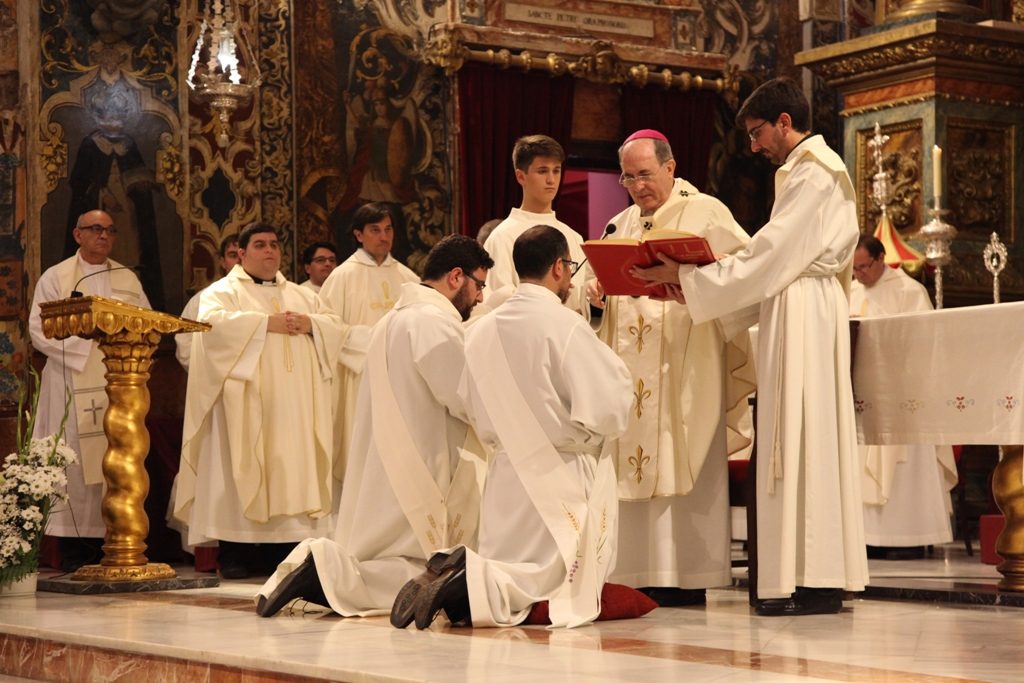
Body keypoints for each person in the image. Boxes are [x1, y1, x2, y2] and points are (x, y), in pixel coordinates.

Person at [632, 77, 869, 616]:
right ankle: (803, 577)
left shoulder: (814, 173)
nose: (754, 146)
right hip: (795, 302)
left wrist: (692, 280)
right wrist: (690, 287)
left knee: (801, 436)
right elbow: (771, 262)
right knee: (796, 437)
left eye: (758, 133)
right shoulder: (804, 173)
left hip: (805, 307)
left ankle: (811, 578)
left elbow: (770, 253)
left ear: (785, 123)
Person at [393, 225, 633, 629]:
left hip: (504, 472)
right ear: (559, 267)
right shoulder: (565, 325)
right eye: (570, 268)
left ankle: (469, 573)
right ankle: (469, 579)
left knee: (509, 556)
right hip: (560, 474)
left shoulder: (481, 328)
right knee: (554, 578)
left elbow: (468, 398)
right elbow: (610, 402)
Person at [254, 234, 494, 618]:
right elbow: (464, 396)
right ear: (455, 277)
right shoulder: (434, 323)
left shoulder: (394, 319)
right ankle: (323, 571)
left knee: (395, 554)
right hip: (421, 462)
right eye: (479, 285)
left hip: (385, 459)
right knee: (421, 567)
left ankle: (320, 569)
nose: (480, 297)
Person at [589, 129, 755, 607]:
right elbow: (601, 296)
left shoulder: (706, 212)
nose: (638, 186)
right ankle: (638, 571)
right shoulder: (618, 225)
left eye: (645, 174)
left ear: (670, 166)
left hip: (686, 366)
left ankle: (687, 573)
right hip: (632, 372)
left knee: (687, 451)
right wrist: (597, 297)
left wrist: (685, 274)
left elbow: (744, 272)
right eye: (628, 177)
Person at [172, 222, 366, 579]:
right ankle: (236, 552)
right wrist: (264, 325)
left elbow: (335, 327)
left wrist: (312, 325)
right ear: (242, 254)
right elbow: (211, 327)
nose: (270, 251)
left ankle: (287, 549)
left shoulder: (304, 296)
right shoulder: (222, 293)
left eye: (275, 245)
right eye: (260, 245)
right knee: (244, 469)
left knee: (293, 467)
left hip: (297, 410)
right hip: (245, 409)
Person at [29, 209, 150, 571]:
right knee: (75, 462)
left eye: (110, 230)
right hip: (70, 378)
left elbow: (144, 321)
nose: (104, 236)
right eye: (96, 229)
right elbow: (40, 328)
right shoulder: (56, 277)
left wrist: (116, 354)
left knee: (113, 455)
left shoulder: (126, 277)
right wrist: (88, 352)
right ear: (77, 234)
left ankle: (113, 540)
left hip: (118, 379)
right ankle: (72, 547)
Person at [850, 235, 956, 557]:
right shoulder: (849, 292)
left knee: (904, 458)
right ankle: (867, 538)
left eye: (864, 267)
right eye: (853, 269)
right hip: (858, 395)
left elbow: (925, 344)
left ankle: (907, 538)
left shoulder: (910, 291)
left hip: (901, 395)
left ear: (881, 258)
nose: (859, 275)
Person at [318, 202, 419, 483]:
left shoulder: (408, 278)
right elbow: (327, 329)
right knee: (360, 458)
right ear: (359, 235)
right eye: (375, 230)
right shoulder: (342, 277)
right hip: (357, 378)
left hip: (400, 379)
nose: (384, 236)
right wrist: (375, 343)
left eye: (388, 229)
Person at [481, 135, 591, 318]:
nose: (551, 180)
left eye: (556, 171)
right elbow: (495, 304)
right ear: (520, 176)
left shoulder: (574, 237)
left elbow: (583, 303)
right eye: (542, 171)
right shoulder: (502, 237)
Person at [175, 236, 240, 371]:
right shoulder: (203, 299)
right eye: (233, 255)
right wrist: (215, 373)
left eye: (243, 254)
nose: (239, 261)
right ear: (222, 262)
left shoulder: (265, 296)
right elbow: (184, 346)